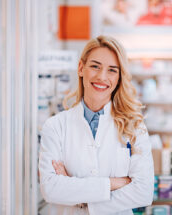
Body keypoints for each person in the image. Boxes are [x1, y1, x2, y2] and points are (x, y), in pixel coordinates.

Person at [39, 35, 154, 215]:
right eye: (95, 66)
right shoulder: (55, 126)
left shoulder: (134, 126)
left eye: (112, 70)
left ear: (119, 77)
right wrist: (115, 183)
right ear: (80, 68)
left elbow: (144, 192)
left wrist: (83, 202)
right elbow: (51, 188)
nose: (102, 77)